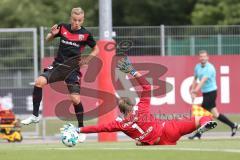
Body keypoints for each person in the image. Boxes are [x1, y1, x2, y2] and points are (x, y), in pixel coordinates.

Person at [62, 56, 217, 145]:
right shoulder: (141, 108)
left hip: (158, 143)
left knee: (139, 142)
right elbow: (147, 87)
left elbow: (99, 128)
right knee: (204, 117)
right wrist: (133, 72)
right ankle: (203, 125)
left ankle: (143, 142)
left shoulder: (120, 124)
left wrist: (78, 129)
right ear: (132, 104)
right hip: (169, 129)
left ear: (122, 111)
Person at [21, 7, 99, 132]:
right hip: (58, 66)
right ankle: (35, 116)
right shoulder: (62, 28)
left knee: (75, 99)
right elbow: (47, 39)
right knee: (39, 81)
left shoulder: (86, 34)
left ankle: (81, 128)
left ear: (83, 20)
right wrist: (51, 34)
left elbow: (96, 49)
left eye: (79, 20)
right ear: (71, 18)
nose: (76, 23)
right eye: (74, 20)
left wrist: (87, 60)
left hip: (72, 70)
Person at [189, 50, 239, 139]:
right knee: (216, 115)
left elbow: (202, 81)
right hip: (205, 93)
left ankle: (198, 134)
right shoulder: (197, 67)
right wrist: (192, 90)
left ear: (207, 57)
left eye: (204, 56)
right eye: (201, 56)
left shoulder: (210, 68)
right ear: (199, 58)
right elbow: (195, 79)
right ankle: (233, 125)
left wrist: (195, 91)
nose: (203, 58)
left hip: (211, 93)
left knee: (202, 114)